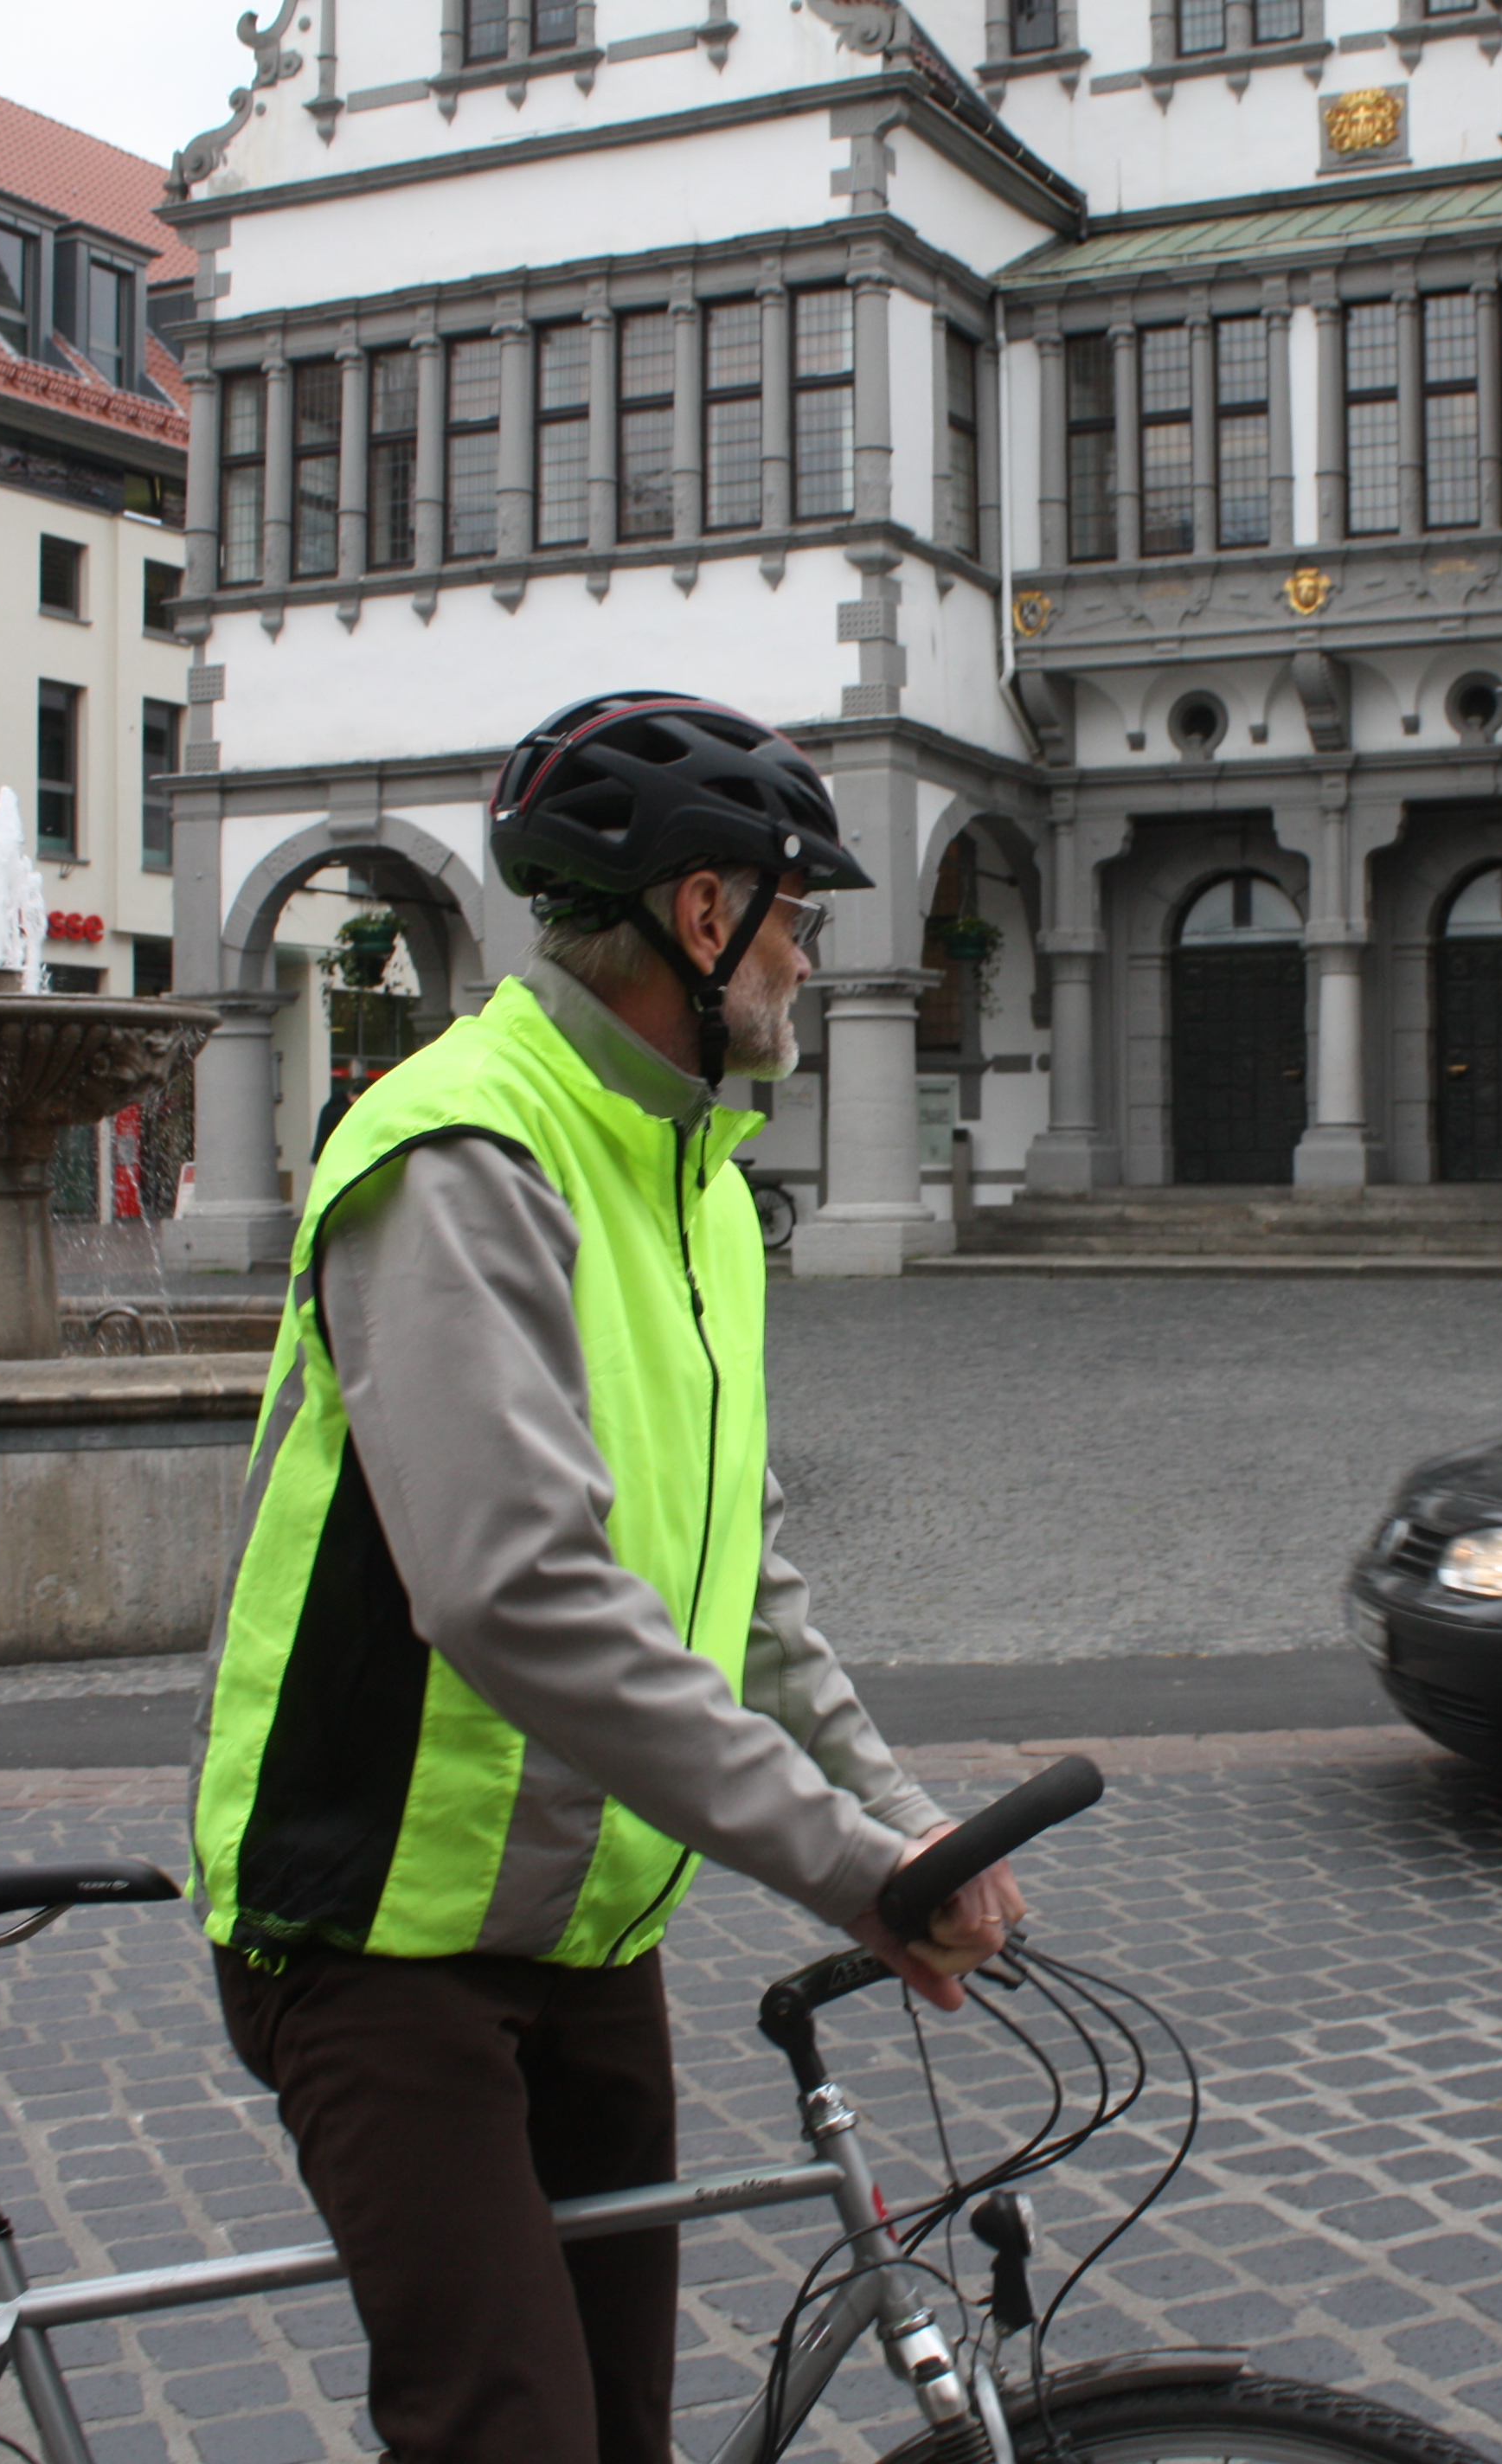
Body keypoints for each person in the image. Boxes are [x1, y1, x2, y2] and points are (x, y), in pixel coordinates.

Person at [193, 691, 1019, 2464]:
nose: (813, 960)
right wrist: (846, 1863)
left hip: (584, 1932)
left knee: (621, 2430)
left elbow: (743, 1566)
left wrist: (906, 1823)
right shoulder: (466, 1149)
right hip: (376, 1933)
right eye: (801, 917)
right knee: (513, 2430)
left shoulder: (696, 1171)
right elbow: (518, 1594)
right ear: (702, 917)